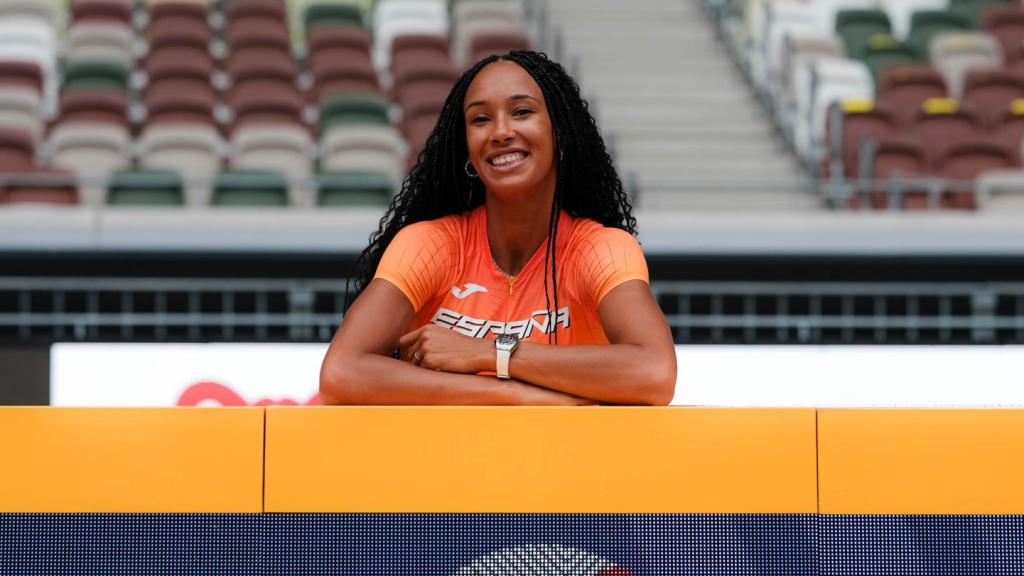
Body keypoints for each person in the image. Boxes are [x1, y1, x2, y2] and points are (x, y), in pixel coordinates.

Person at [319, 51, 675, 406]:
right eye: (481, 119)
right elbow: (342, 373)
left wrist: (491, 354)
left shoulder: (600, 249)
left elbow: (654, 372)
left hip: (567, 461)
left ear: (560, 134)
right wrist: (513, 396)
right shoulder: (430, 245)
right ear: (467, 151)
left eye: (522, 112)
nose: (501, 132)